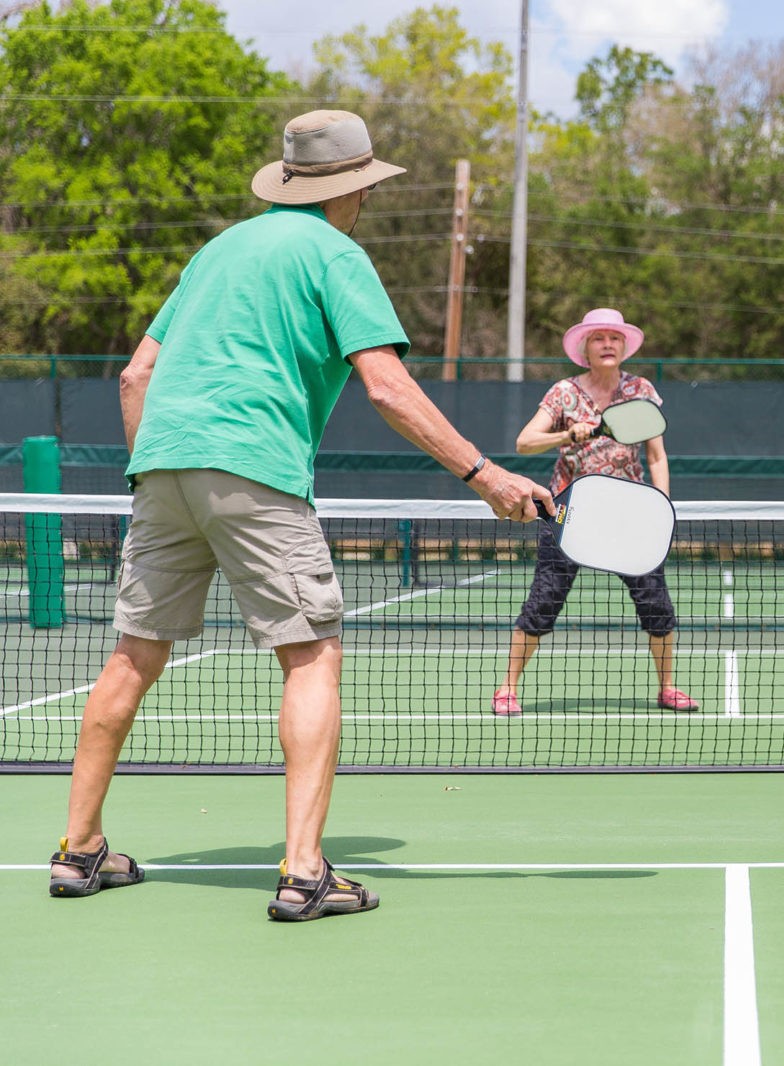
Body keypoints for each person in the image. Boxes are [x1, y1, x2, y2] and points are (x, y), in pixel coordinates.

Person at [47, 110, 547, 920]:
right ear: (352, 191)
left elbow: (136, 376)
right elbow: (384, 385)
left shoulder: (217, 251)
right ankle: (305, 870)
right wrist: (482, 472)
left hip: (160, 468)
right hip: (254, 468)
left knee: (134, 657)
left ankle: (78, 849)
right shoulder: (336, 254)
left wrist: (152, 471)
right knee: (311, 657)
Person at [492, 308, 699, 715]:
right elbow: (524, 442)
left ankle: (668, 688)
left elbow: (656, 457)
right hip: (568, 514)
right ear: (584, 348)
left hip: (631, 516)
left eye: (615, 338)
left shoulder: (640, 389)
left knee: (656, 603)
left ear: (624, 346)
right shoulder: (563, 393)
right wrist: (569, 433)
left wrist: (662, 508)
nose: (608, 343)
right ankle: (507, 688)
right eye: (599, 337)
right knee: (543, 601)